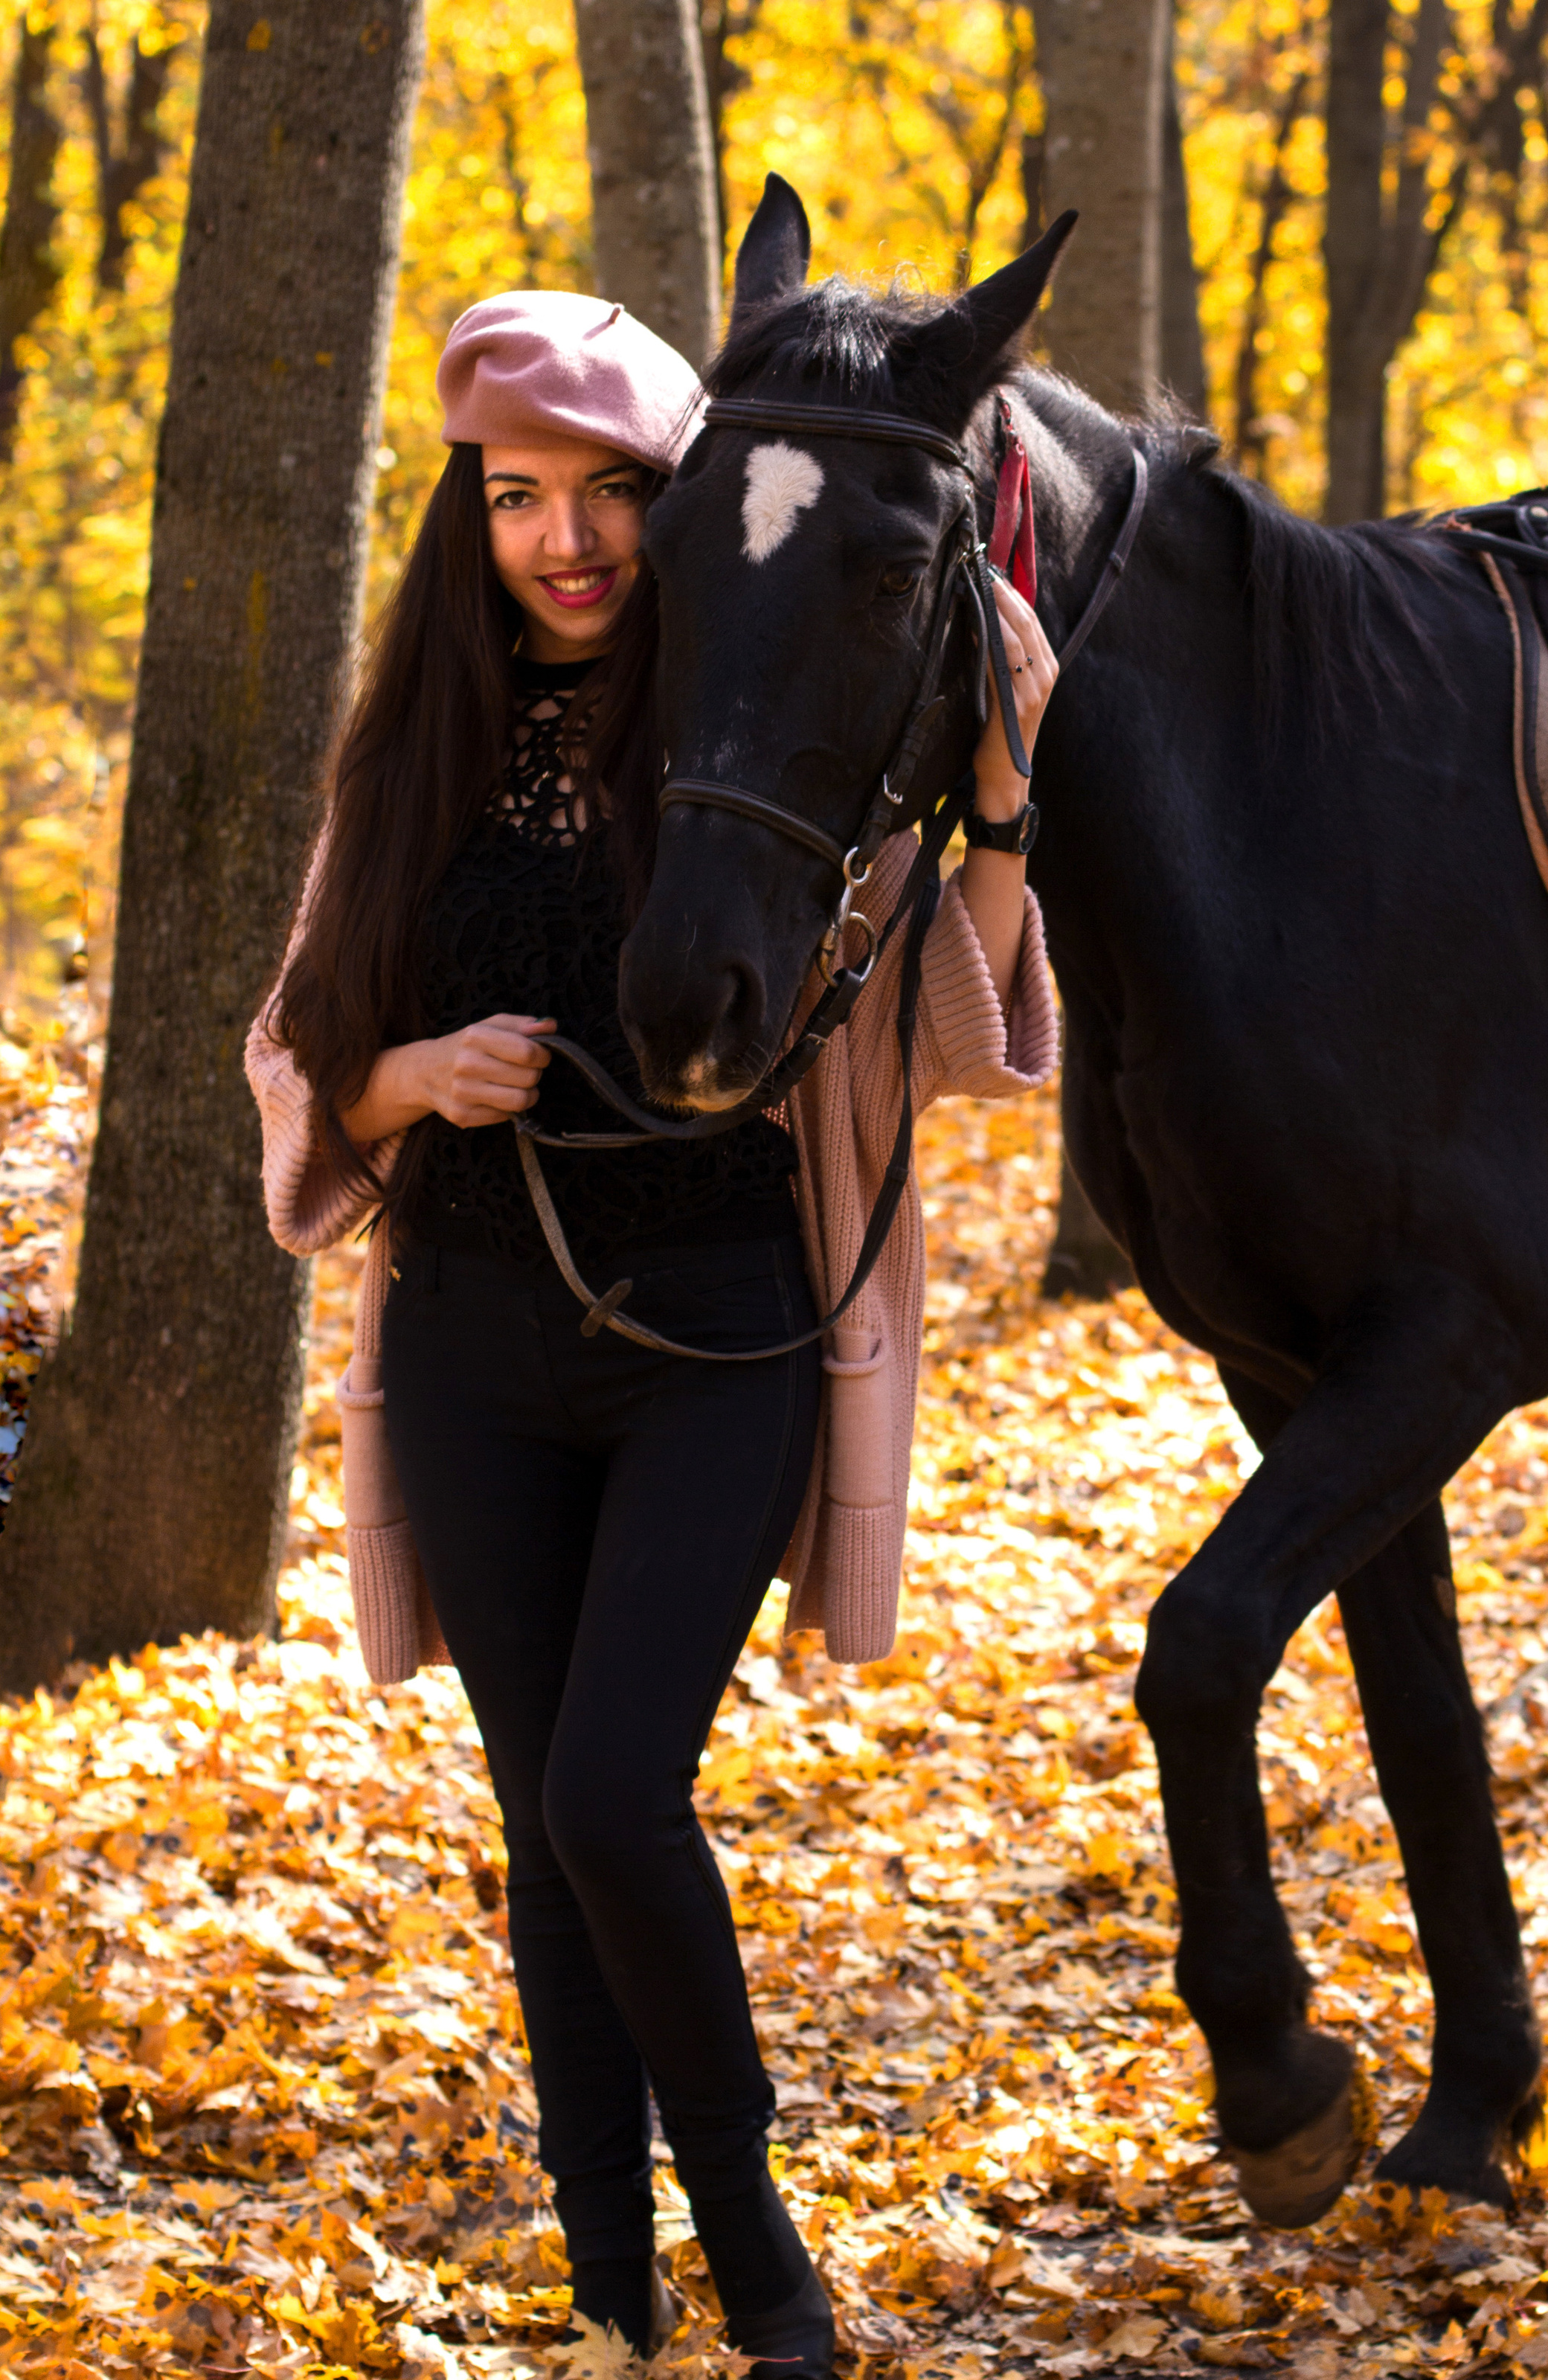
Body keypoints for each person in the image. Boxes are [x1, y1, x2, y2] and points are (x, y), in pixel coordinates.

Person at [245, 291, 1059, 2376]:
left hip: (714, 1332)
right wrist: (405, 1082)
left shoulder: (751, 726)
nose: (567, 539)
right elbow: (299, 1058)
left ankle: (762, 2257)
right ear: (470, 520)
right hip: (470, 1347)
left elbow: (954, 1033)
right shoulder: (415, 744)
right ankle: (611, 2293)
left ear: (675, 509)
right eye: (517, 499)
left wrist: (1006, 820)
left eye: (613, 493)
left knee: (615, 1796)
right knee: (549, 1831)